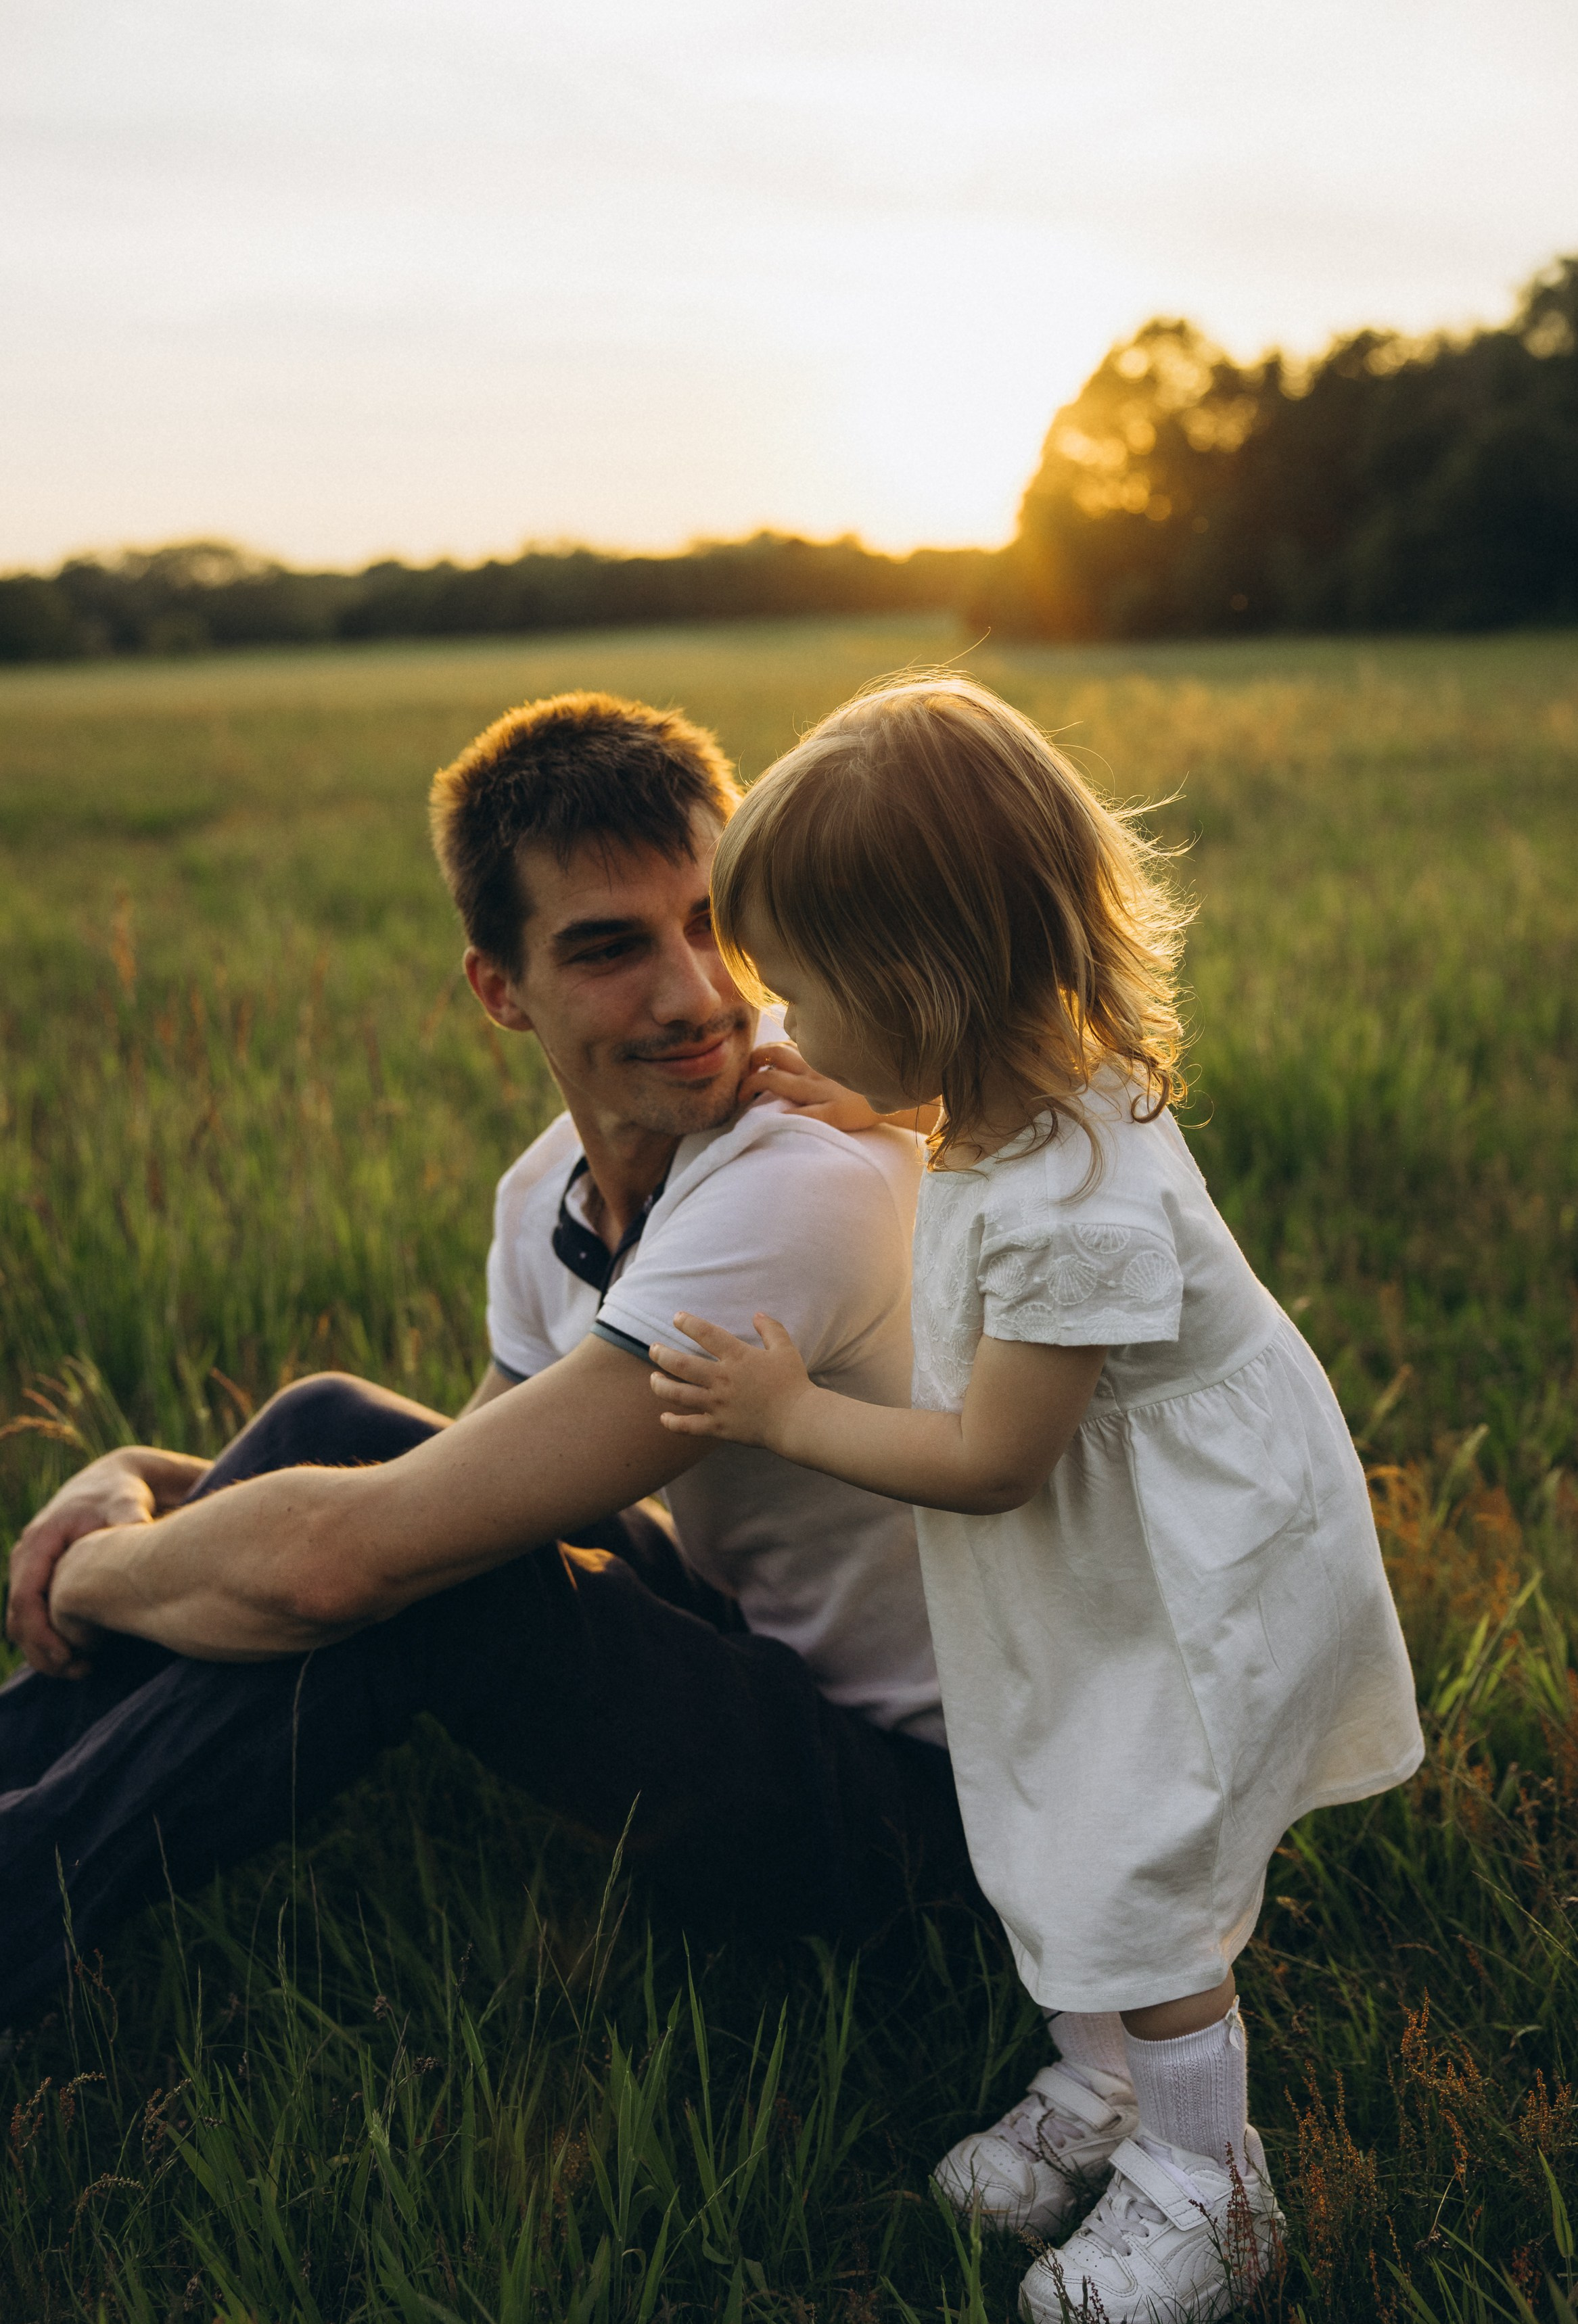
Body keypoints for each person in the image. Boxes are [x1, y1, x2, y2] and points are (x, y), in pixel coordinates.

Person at [1, 690, 973, 2031]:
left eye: (711, 922)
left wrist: (99, 1569)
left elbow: (356, 1558)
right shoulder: (547, 1200)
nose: (696, 994)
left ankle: (18, 1899)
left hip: (943, 1819)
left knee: (422, 1579)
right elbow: (448, 1480)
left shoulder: (805, 1178)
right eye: (609, 949)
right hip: (770, 1662)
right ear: (498, 991)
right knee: (335, 1427)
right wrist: (131, 1470)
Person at [646, 674, 1425, 2324]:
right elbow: (948, 1146)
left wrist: (792, 1412)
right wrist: (867, 1100)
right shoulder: (1005, 1111)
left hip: (1171, 1576)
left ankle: (1211, 2187)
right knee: (1056, 1807)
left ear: (923, 987)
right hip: (1091, 1566)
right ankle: (1104, 2082)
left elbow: (995, 1455)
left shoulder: (1080, 1199)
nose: (775, 1025)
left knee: (1135, 1853)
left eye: (806, 989)